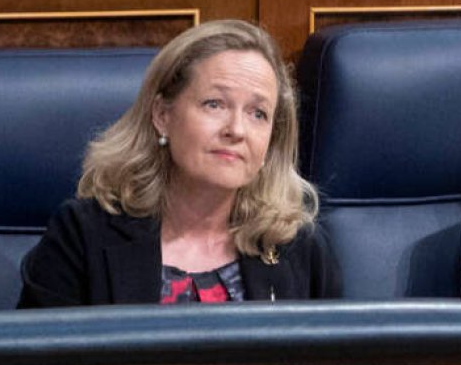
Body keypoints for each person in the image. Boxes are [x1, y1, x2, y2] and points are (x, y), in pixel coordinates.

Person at [19, 20, 340, 306]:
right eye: (215, 104)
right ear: (162, 115)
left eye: (258, 114)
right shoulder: (84, 236)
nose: (237, 130)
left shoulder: (297, 247)